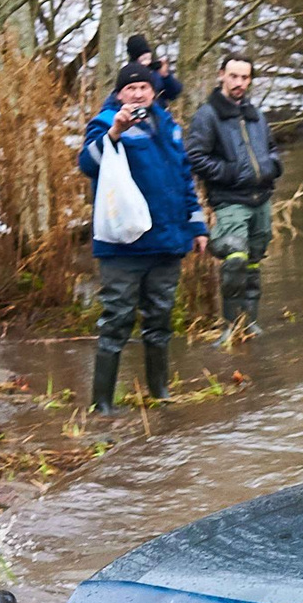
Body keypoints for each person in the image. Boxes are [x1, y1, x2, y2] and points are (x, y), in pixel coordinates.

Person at [77, 66, 205, 412]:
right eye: (130, 88)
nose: (137, 93)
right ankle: (101, 403)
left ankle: (159, 393)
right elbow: (87, 164)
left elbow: (184, 178)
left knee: (160, 318)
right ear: (120, 94)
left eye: (143, 87)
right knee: (116, 320)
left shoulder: (169, 125)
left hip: (168, 242)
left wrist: (197, 227)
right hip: (122, 246)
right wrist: (117, 132)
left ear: (153, 92)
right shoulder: (105, 122)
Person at [186, 54, 281, 336]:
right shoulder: (208, 114)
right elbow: (195, 157)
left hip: (261, 198)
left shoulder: (255, 113)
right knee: (235, 260)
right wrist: (230, 173)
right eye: (234, 76)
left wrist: (272, 166)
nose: (239, 83)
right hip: (229, 201)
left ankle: (249, 323)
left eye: (244, 77)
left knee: (253, 261)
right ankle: (229, 326)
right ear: (221, 75)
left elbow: (273, 147)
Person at [119, 33, 182, 108]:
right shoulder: (128, 73)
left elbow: (174, 93)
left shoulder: (156, 69)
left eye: (147, 53)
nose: (146, 57)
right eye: (142, 55)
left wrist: (166, 76)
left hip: (159, 113)